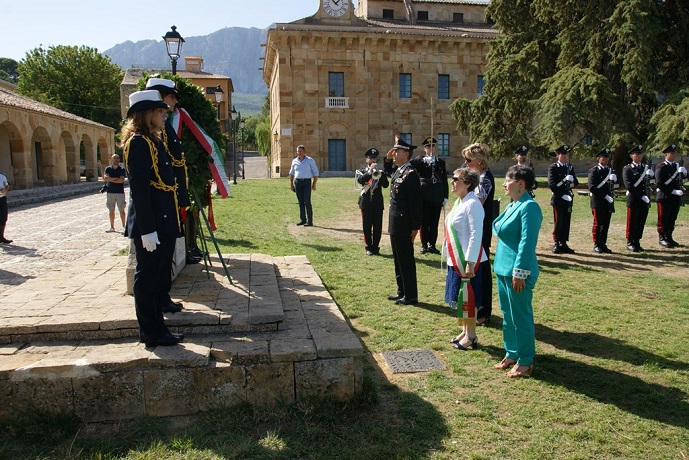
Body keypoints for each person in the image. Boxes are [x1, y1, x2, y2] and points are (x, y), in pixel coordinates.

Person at [121, 89, 183, 347]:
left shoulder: (153, 141)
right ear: (147, 114)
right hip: (152, 223)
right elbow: (139, 190)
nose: (164, 115)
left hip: (163, 219)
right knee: (146, 279)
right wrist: (147, 229)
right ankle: (150, 331)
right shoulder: (138, 143)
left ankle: (158, 328)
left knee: (157, 277)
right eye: (159, 111)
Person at [492, 165, 542, 378]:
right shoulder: (513, 204)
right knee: (507, 314)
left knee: (520, 316)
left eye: (508, 180)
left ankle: (525, 360)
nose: (504, 184)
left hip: (517, 272)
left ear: (521, 183)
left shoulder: (529, 207)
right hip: (503, 268)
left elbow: (527, 242)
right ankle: (511, 352)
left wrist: (519, 272)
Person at [145, 77, 199, 265]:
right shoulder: (154, 131)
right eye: (172, 97)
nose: (175, 101)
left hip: (172, 188)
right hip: (164, 191)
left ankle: (182, 254)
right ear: (161, 97)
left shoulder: (165, 125)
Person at [445, 168, 486, 350]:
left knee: (469, 298)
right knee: (462, 297)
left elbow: (476, 235)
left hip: (469, 261)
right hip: (456, 259)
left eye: (456, 179)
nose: (452, 182)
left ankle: (471, 335)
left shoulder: (473, 203)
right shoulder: (460, 202)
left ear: (467, 183)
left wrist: (470, 262)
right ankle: (464, 330)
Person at [383, 138, 423, 305]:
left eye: (397, 151)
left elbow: (415, 203)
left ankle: (411, 295)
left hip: (404, 222)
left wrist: (415, 226)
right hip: (395, 222)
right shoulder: (400, 171)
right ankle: (402, 290)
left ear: (406, 154)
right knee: (398, 258)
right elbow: (387, 173)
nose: (394, 153)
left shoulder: (411, 174)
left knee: (405, 259)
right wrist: (387, 160)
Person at [462, 143, 494, 326]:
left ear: (479, 161)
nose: (466, 163)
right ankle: (476, 308)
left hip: (481, 230)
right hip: (474, 228)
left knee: (482, 270)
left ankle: (484, 311)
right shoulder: (478, 178)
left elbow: (476, 203)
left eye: (469, 160)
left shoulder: (485, 179)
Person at [411, 137, 448, 255]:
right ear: (424, 148)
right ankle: (424, 245)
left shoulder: (440, 162)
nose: (430, 148)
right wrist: (423, 160)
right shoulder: (421, 160)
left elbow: (444, 180)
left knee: (434, 222)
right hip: (424, 195)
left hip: (437, 195)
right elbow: (412, 164)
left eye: (432, 146)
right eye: (428, 146)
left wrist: (445, 196)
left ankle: (432, 244)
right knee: (424, 221)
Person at [356, 147, 389, 255]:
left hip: (377, 203)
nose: (373, 160)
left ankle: (376, 247)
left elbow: (386, 185)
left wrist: (380, 174)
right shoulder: (362, 171)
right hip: (366, 203)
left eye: (374, 158)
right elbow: (360, 180)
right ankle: (369, 247)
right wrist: (370, 171)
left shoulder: (380, 171)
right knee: (367, 226)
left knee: (377, 226)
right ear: (366, 159)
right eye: (370, 158)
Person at [548, 145, 578, 254]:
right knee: (558, 221)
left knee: (566, 221)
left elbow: (576, 183)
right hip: (558, 198)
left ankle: (563, 242)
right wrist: (562, 194)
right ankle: (556, 242)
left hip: (568, 198)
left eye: (566, 154)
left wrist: (572, 181)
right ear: (558, 155)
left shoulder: (569, 167)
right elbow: (552, 184)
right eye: (562, 154)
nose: (565, 156)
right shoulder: (553, 167)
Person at [655, 144, 686, 248]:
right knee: (663, 218)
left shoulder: (677, 166)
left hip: (675, 198)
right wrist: (673, 191)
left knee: (672, 218)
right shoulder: (661, 166)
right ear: (666, 155)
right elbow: (659, 183)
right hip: (664, 197)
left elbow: (682, 180)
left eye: (674, 153)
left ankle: (669, 236)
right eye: (671, 153)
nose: (674, 155)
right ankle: (662, 238)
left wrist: (685, 173)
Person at [622, 145, 652, 252]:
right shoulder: (627, 169)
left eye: (640, 154)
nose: (639, 156)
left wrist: (652, 176)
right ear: (631, 156)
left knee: (641, 221)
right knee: (632, 222)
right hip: (634, 199)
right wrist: (641, 196)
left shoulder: (646, 168)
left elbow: (651, 183)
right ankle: (630, 242)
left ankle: (637, 241)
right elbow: (629, 185)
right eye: (636, 154)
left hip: (645, 199)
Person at [587, 148, 617, 253]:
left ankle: (603, 244)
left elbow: (614, 187)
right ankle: (596, 244)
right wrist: (605, 196)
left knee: (605, 224)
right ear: (598, 158)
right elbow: (592, 187)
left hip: (608, 202)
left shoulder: (610, 171)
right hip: (598, 201)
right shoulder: (594, 171)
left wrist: (615, 181)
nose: (606, 159)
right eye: (603, 157)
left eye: (607, 157)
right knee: (598, 223)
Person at [289, 145, 319, 226]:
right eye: (298, 151)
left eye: (300, 151)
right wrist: (291, 184)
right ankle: (303, 219)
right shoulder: (294, 161)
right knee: (300, 202)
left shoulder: (310, 160)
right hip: (297, 183)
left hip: (306, 182)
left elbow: (316, 173)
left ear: (304, 152)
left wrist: (314, 184)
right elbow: (291, 173)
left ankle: (310, 221)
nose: (299, 153)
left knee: (307, 201)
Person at [103, 153, 127, 233]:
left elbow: (121, 180)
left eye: (117, 158)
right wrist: (116, 178)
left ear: (119, 160)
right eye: (114, 158)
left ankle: (124, 226)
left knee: (121, 209)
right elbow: (106, 178)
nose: (116, 160)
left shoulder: (122, 169)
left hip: (120, 192)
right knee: (111, 210)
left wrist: (111, 179)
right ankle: (112, 227)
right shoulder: (108, 169)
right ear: (111, 159)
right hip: (110, 192)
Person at [0, 169, 11, 244]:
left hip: (2, 198)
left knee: (3, 218)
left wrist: (5, 189)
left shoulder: (2, 176)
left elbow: (7, 186)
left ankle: (1, 237)